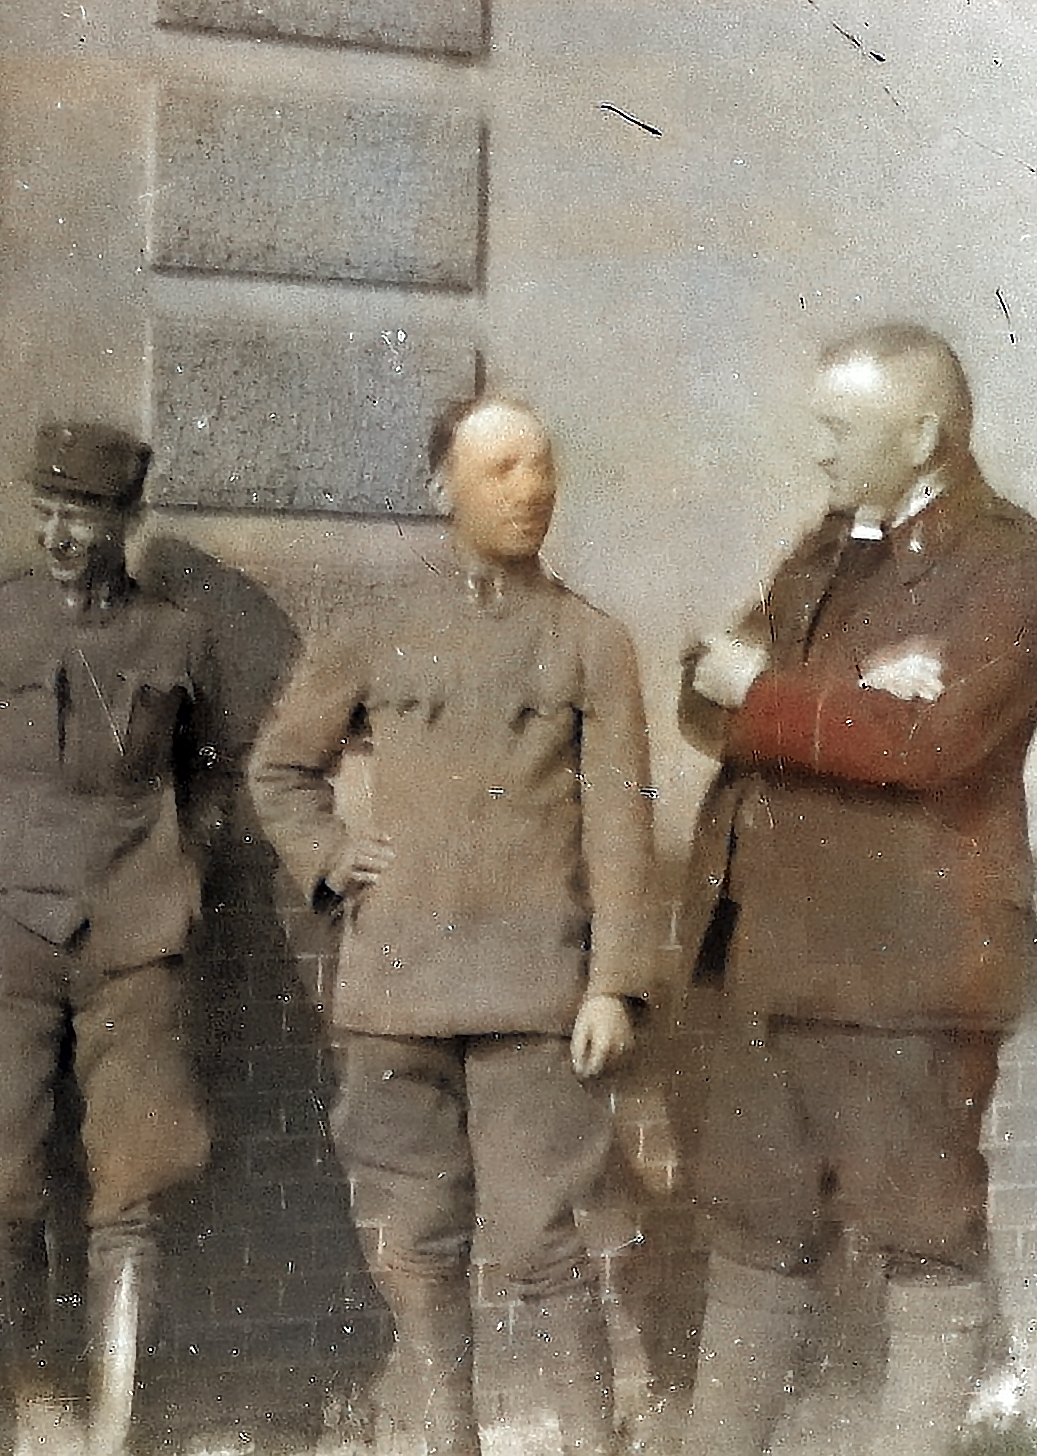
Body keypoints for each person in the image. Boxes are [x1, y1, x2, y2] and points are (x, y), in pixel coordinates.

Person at [674, 323, 1037, 1456]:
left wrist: (775, 693)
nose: (818, 450)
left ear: (923, 432)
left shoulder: (1013, 566)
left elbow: (933, 747)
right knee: (755, 1232)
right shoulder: (827, 547)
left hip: (908, 972)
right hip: (770, 956)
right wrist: (846, 691)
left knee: (922, 1240)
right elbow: (703, 695)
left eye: (838, 428)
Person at [247, 394, 655, 1456]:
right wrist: (331, 856)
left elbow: (620, 826)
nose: (532, 489)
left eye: (542, 466)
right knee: (415, 1240)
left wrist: (613, 982)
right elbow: (280, 769)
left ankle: (587, 1441)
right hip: (395, 994)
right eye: (502, 469)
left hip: (534, 996)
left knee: (542, 1239)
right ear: (442, 486)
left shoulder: (591, 643)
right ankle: (449, 1438)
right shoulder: (375, 628)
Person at [0, 421, 226, 1456]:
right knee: (0, 1182)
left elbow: (213, 776)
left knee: (135, 1186)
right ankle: (35, 1398)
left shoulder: (175, 639)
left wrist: (183, 876)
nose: (61, 534)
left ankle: (113, 1427)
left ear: (128, 518)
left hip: (132, 938)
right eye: (48, 509)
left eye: (86, 514)